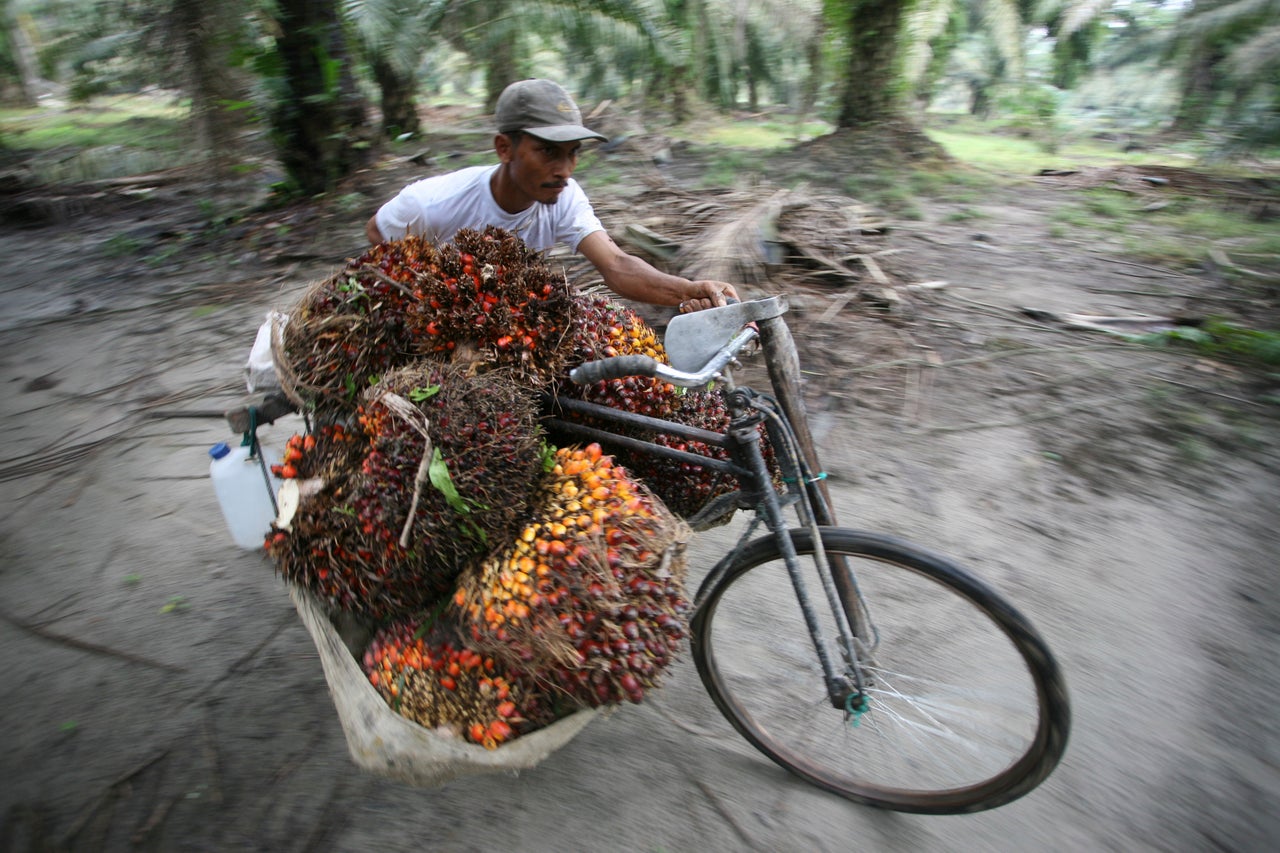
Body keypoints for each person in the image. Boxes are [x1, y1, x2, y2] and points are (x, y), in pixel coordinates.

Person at [366, 78, 738, 314]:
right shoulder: (434, 203)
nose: (565, 169)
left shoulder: (564, 197)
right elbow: (378, 231)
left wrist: (688, 289)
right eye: (548, 151)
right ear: (504, 148)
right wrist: (434, 287)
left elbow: (617, 265)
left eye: (573, 152)